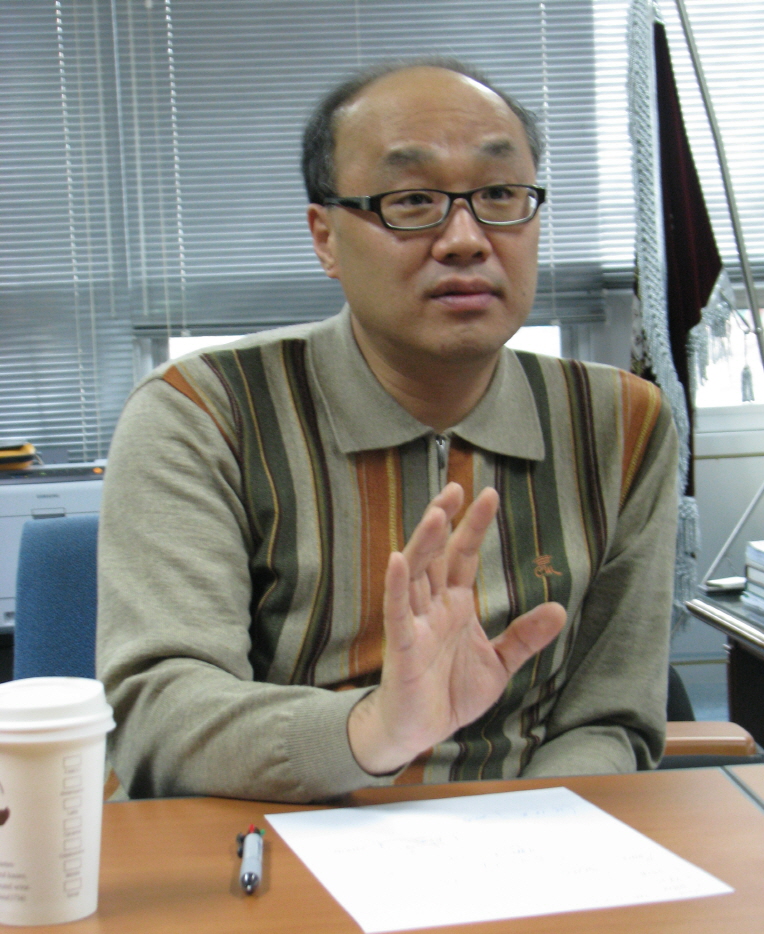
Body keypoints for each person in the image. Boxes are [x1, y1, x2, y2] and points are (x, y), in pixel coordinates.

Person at [97, 58, 678, 802]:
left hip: (527, 835)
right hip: (266, 837)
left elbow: (611, 719)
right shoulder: (205, 411)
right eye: (412, 200)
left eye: (500, 195)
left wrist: (524, 838)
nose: (466, 239)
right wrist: (378, 730)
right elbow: (157, 713)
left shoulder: (620, 424)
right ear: (325, 238)